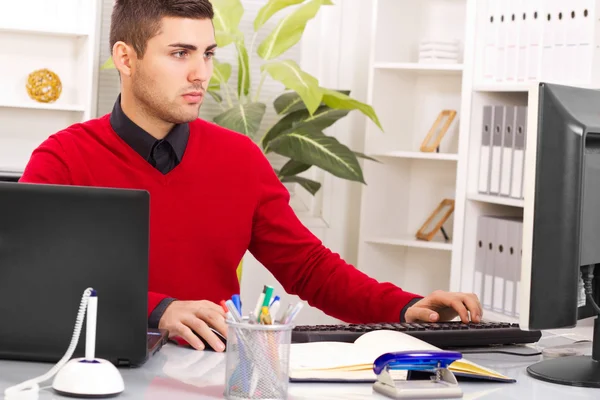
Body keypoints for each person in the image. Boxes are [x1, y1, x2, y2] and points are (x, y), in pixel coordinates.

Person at [19, 0, 482, 353]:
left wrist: (404, 308)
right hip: (99, 368)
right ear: (126, 58)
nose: (200, 73)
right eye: (180, 53)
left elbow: (309, 268)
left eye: (208, 53)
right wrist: (159, 309)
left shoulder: (238, 157)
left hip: (215, 370)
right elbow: (31, 277)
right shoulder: (63, 158)